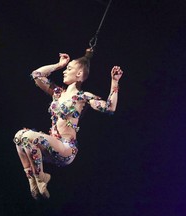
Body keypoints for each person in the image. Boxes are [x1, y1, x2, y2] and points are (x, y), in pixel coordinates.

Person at [13, 49, 123, 199]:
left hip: (65, 148)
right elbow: (36, 75)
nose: (64, 71)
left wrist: (114, 82)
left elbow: (109, 107)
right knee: (19, 137)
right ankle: (33, 179)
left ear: (79, 74)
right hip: (51, 145)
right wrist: (59, 64)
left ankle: (41, 178)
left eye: (68, 69)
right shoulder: (57, 93)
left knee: (28, 137)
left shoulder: (82, 97)